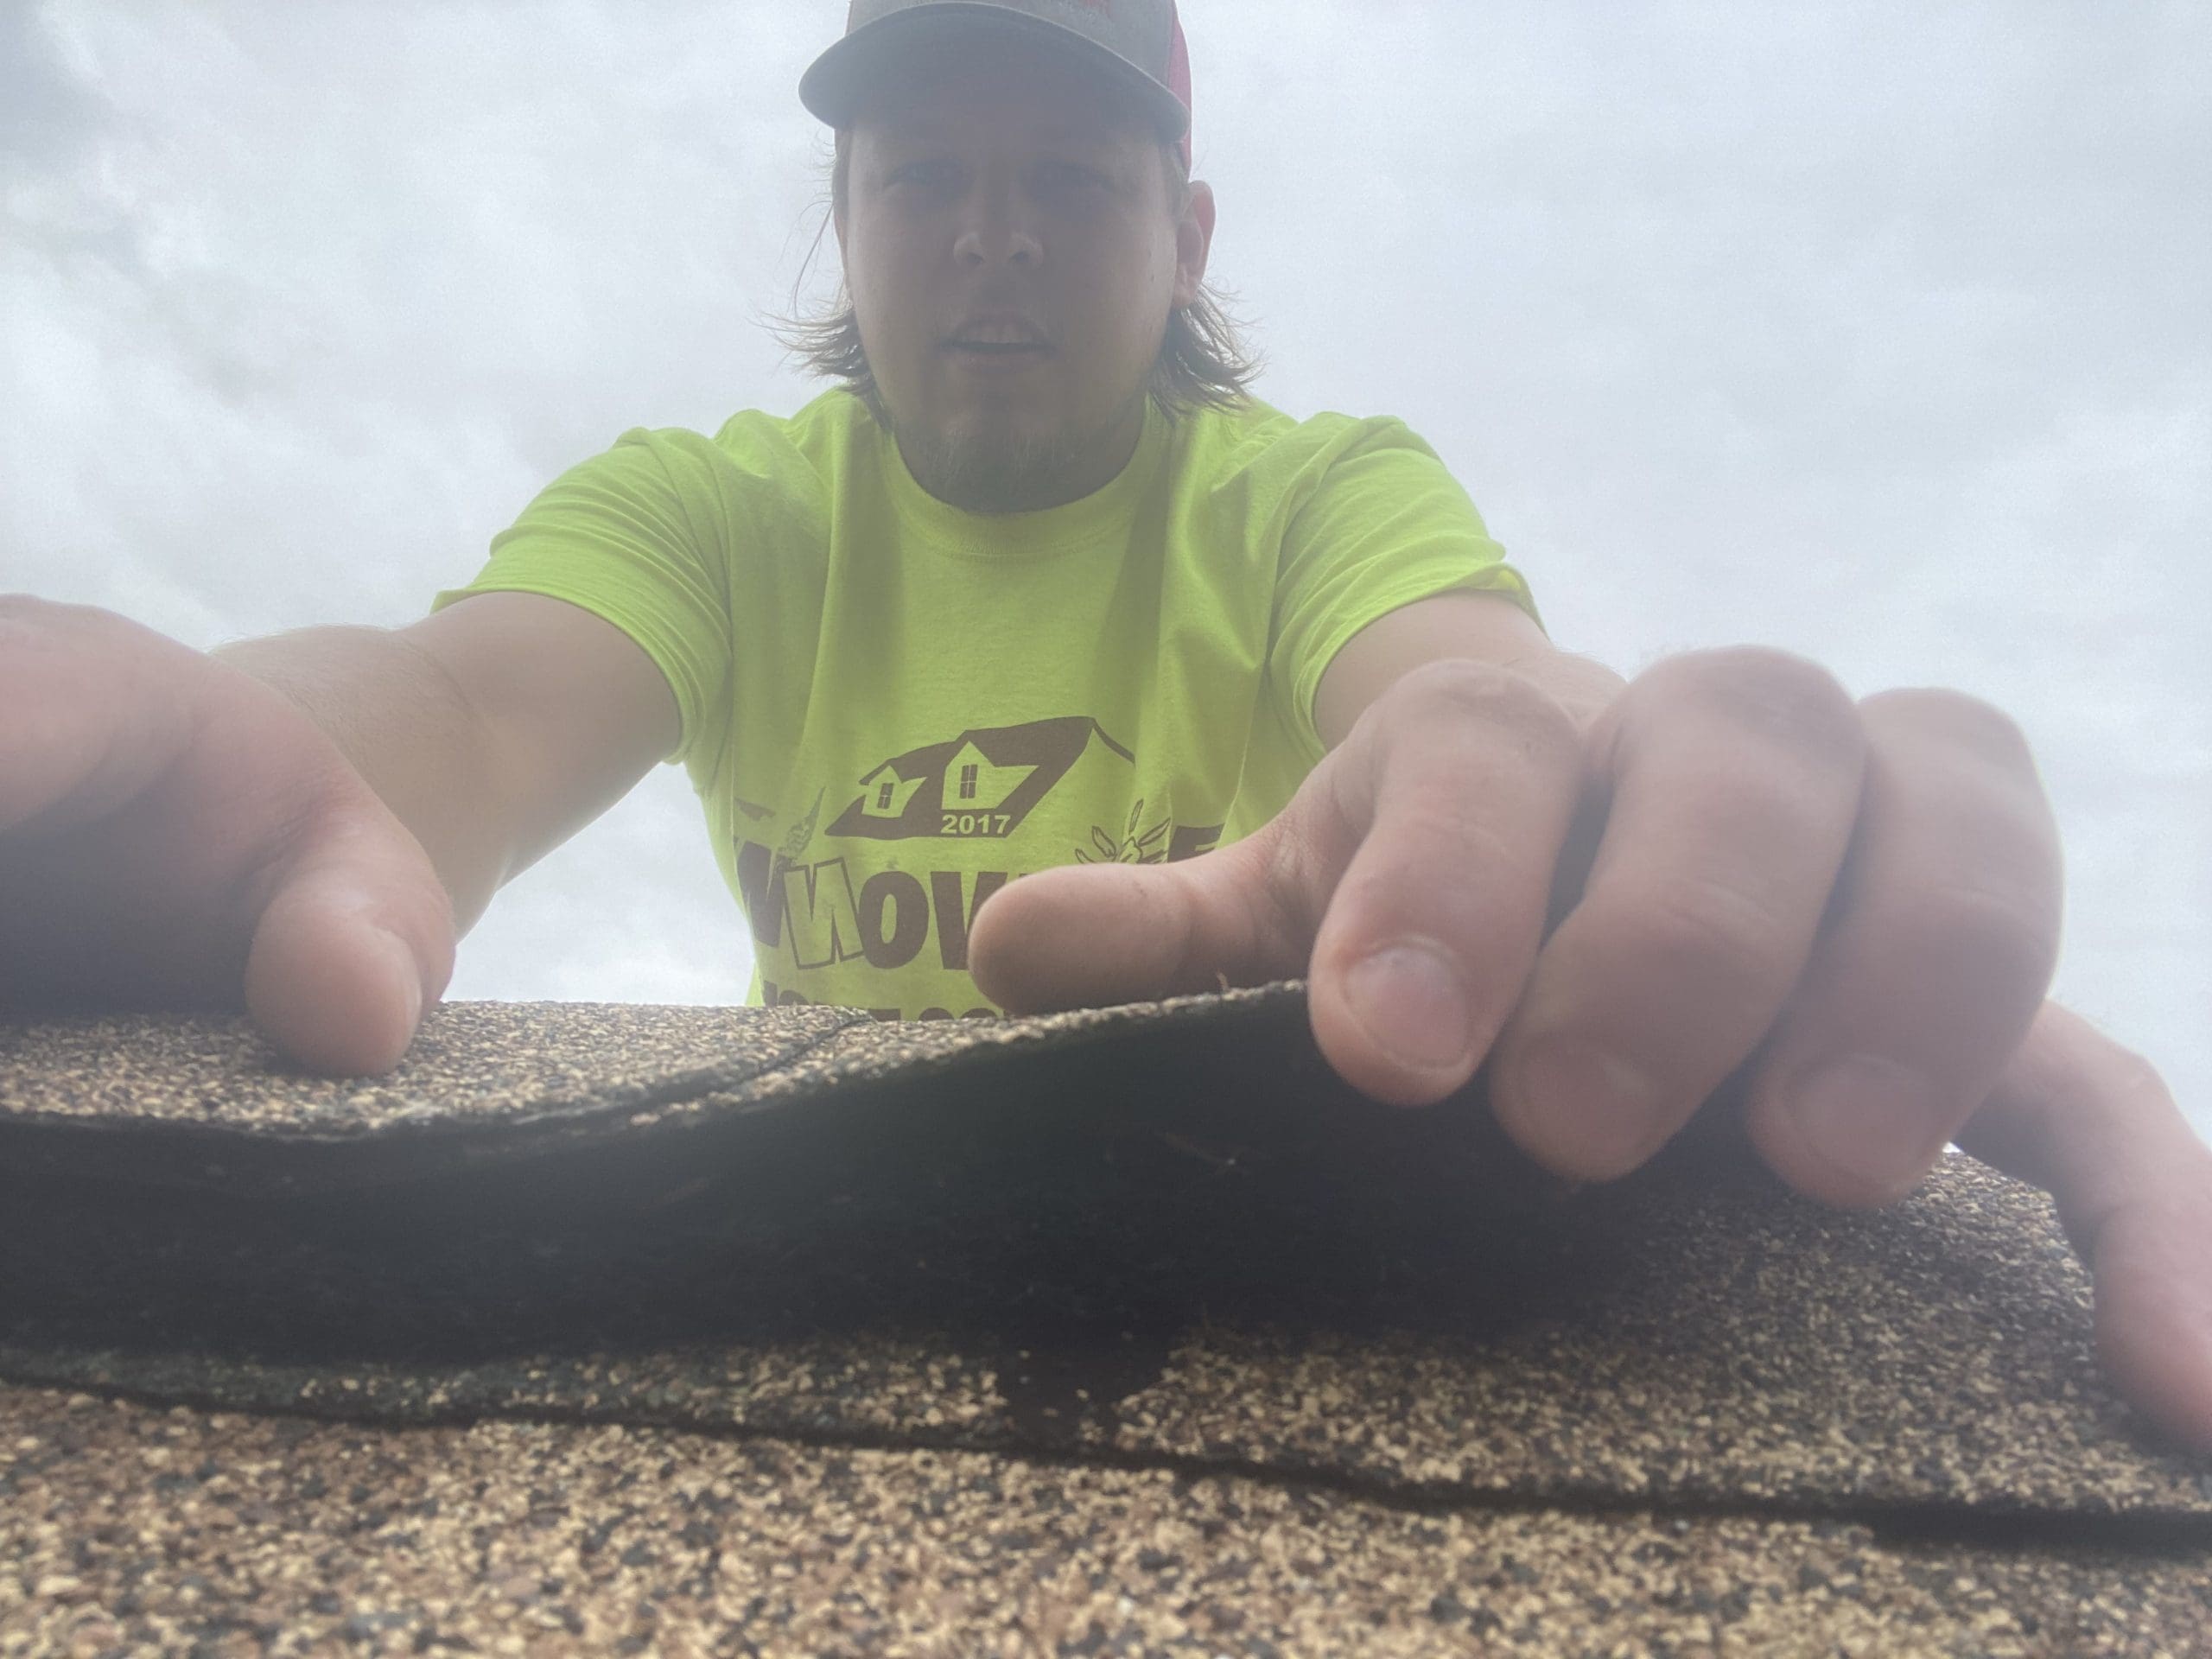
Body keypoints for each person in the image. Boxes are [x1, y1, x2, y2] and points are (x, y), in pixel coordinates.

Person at [1, 0, 2205, 1449]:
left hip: (1253, 1301)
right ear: (842, 222)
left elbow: (1478, 695)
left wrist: (1664, 854)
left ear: (1186, 227)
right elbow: (444, 716)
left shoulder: (1309, 494)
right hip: (828, 1287)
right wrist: (198, 755)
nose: (988, 237)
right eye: (919, 178)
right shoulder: (710, 511)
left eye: (1070, 177)